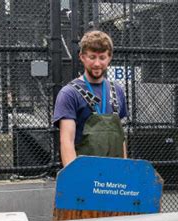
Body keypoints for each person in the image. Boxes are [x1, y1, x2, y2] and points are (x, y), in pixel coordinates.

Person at [53, 30, 128, 167]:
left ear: (109, 57)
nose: (97, 63)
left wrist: (124, 171)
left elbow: (120, 138)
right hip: (85, 173)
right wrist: (75, 177)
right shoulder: (69, 93)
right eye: (92, 57)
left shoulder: (117, 90)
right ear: (82, 57)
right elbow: (66, 141)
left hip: (113, 176)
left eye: (102, 57)